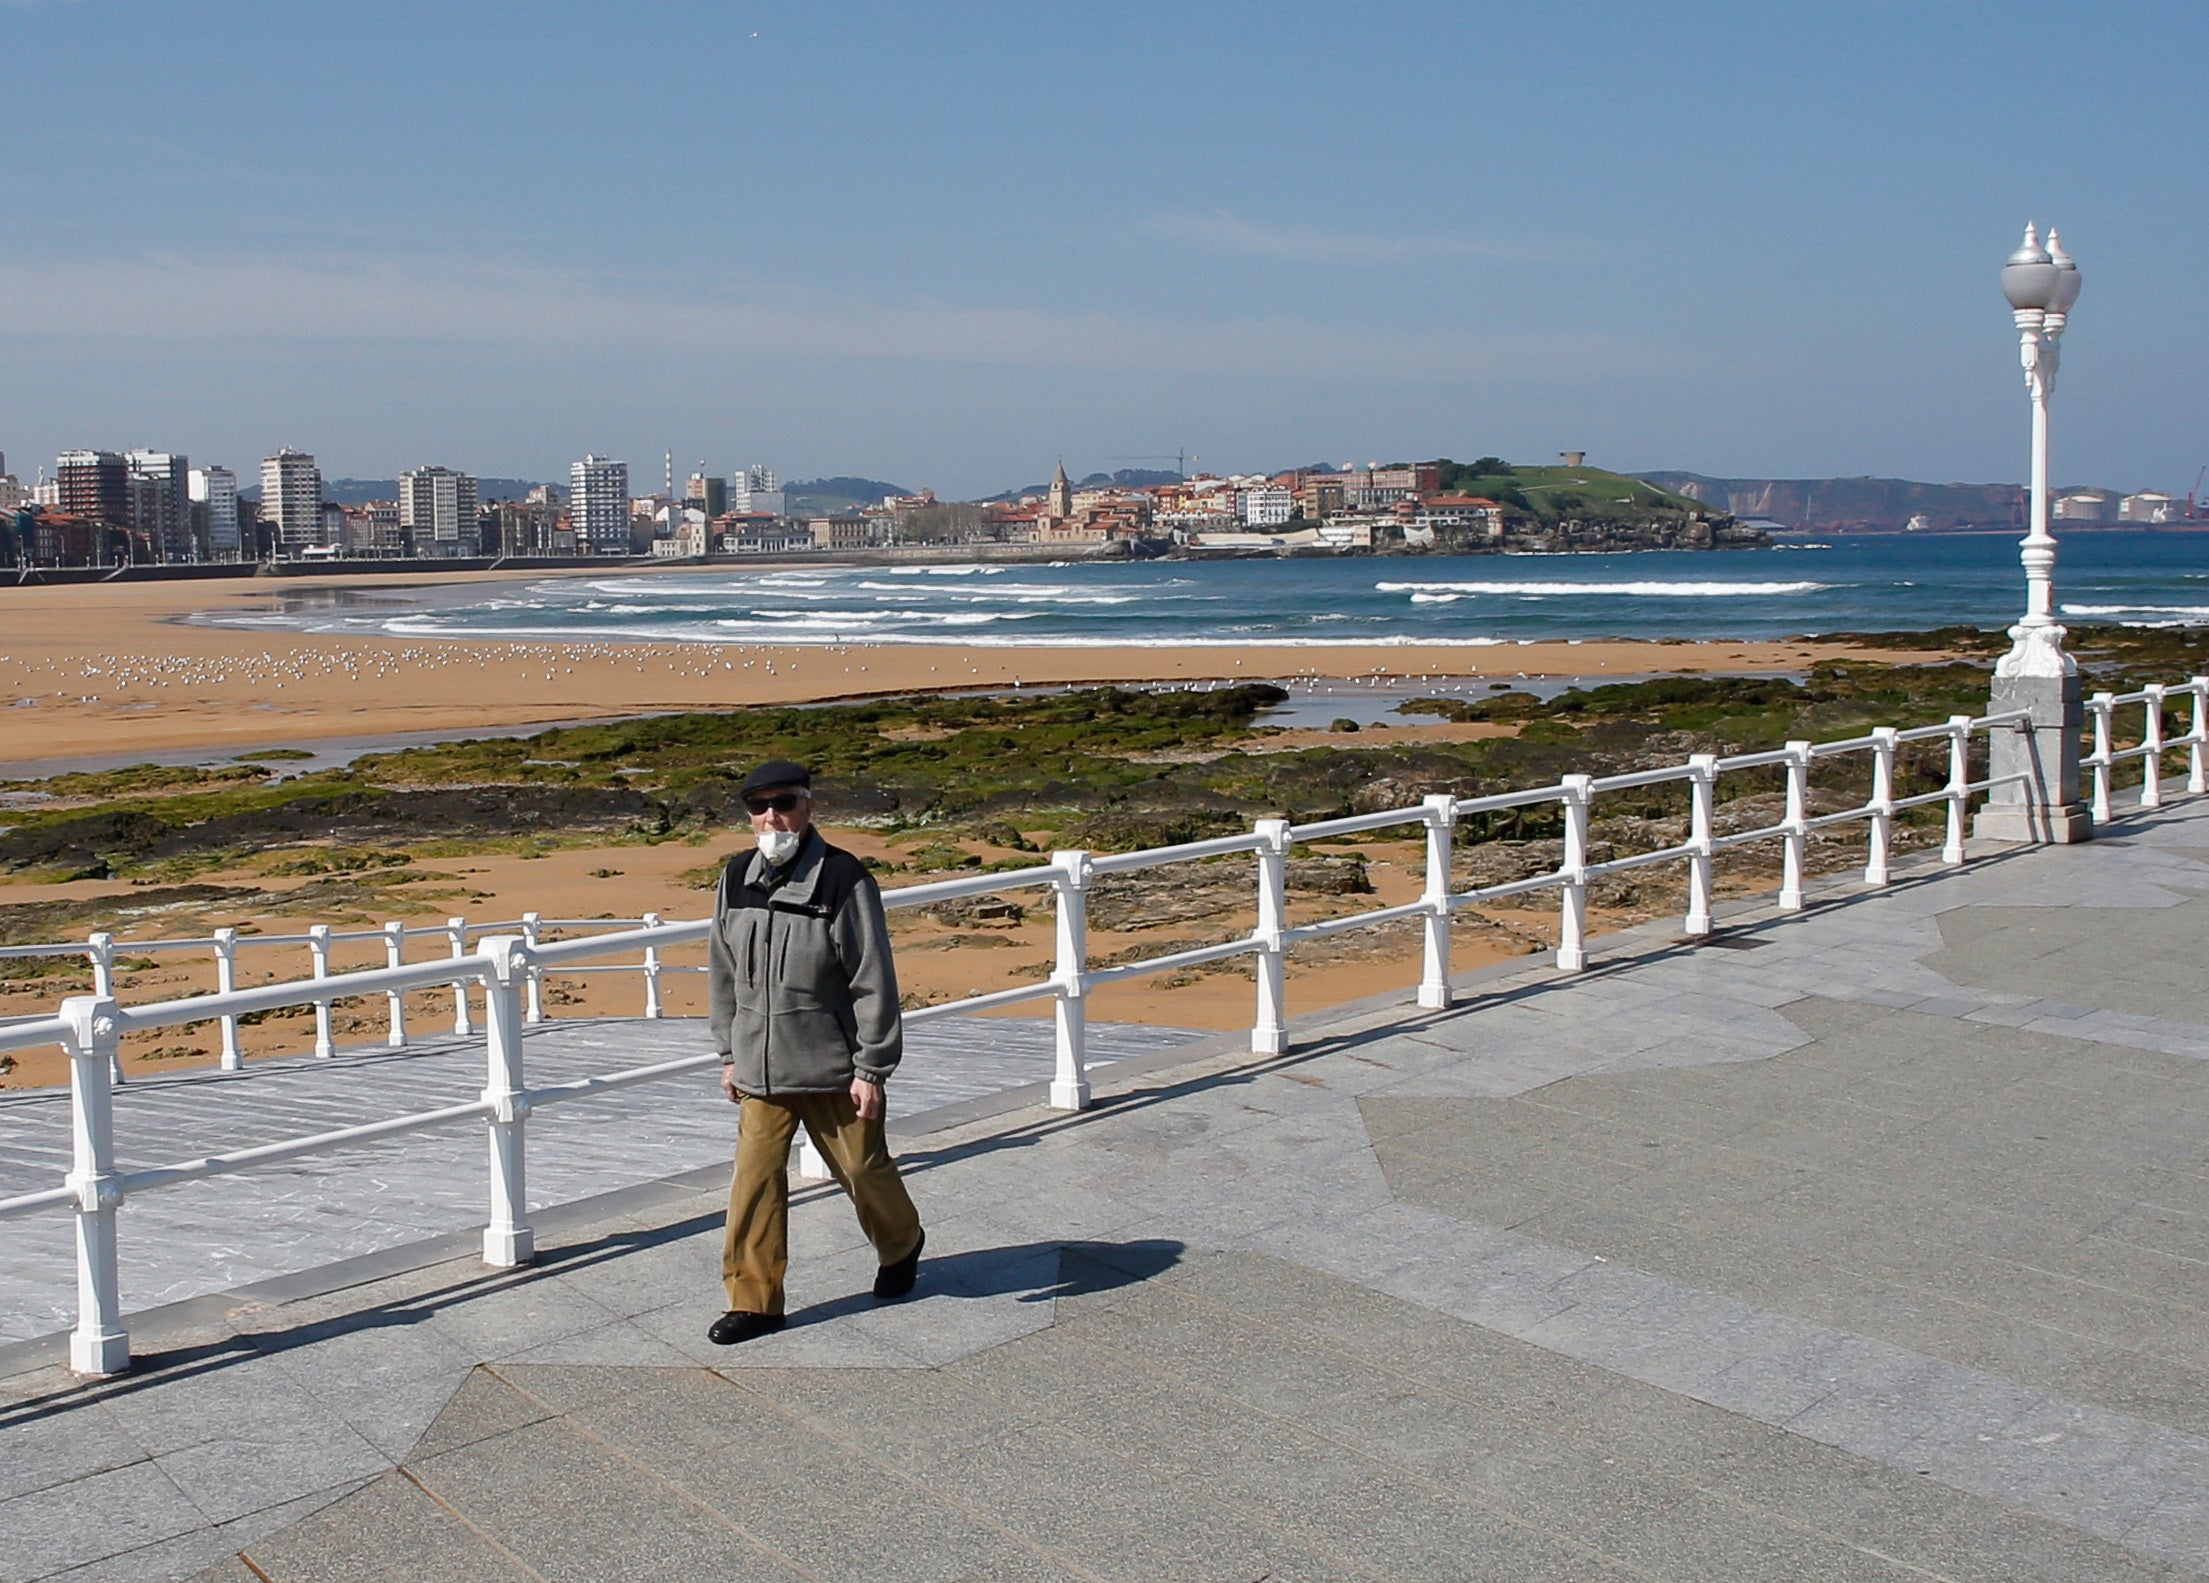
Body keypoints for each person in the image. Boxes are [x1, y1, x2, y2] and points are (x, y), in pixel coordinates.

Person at [705, 759, 924, 1345]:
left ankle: (902, 1243)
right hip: (760, 1069)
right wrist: (729, 1053)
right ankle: (754, 1302)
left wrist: (872, 1068)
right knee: (754, 1182)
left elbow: (872, 978)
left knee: (862, 1169)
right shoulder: (735, 876)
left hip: (834, 1068)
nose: (771, 817)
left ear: (807, 806)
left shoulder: (843, 877)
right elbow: (723, 971)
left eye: (784, 803)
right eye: (758, 806)